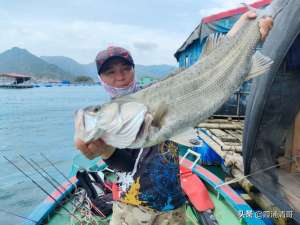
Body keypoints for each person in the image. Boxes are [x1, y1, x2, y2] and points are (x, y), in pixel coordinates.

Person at [75, 11, 273, 225]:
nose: (120, 76)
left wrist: (247, 28)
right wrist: (105, 151)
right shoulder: (112, 123)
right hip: (131, 209)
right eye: (110, 72)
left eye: (125, 68)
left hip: (173, 205)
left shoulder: (156, 92)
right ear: (101, 78)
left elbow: (204, 67)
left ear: (134, 69)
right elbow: (128, 164)